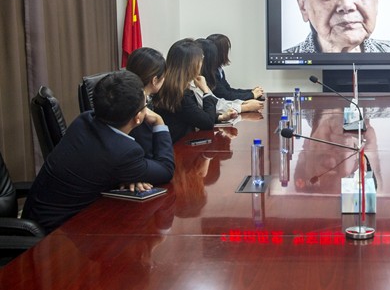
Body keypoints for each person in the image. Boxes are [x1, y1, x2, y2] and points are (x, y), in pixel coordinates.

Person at [22, 70, 175, 233]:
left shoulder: (84, 119)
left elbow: (101, 165)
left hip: (39, 214)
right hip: (56, 233)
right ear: (138, 117)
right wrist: (159, 122)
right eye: (146, 105)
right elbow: (166, 169)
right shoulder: (124, 152)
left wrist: (129, 174)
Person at [153, 39, 236, 143]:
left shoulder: (171, 86)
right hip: (178, 147)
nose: (201, 64)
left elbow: (194, 115)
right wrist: (206, 91)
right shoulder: (180, 94)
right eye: (200, 60)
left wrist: (221, 117)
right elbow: (207, 123)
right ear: (191, 65)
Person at [195, 38, 263, 114]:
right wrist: (246, 105)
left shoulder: (206, 76)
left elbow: (218, 100)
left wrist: (243, 101)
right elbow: (222, 99)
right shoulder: (200, 79)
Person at [126, 47, 166, 158]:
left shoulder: (128, 97)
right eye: (164, 76)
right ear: (154, 80)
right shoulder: (139, 110)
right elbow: (150, 152)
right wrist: (159, 121)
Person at [207, 33, 265, 101]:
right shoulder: (210, 73)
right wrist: (252, 95)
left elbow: (228, 90)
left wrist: (251, 91)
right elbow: (225, 96)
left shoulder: (218, 70)